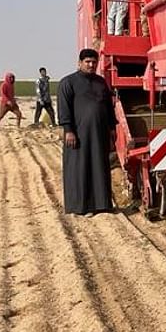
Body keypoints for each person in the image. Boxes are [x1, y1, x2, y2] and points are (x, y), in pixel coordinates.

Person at [58, 49, 116, 215]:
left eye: (94, 62)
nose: (91, 65)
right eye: (88, 62)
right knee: (79, 168)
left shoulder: (101, 82)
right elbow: (64, 109)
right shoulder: (68, 83)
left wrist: (112, 129)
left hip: (99, 134)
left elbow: (108, 108)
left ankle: (102, 205)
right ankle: (81, 207)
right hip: (78, 135)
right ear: (79, 63)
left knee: (100, 167)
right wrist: (69, 131)